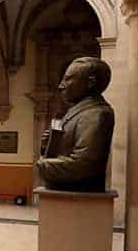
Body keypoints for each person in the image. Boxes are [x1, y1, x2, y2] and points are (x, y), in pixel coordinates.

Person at [36, 57, 114, 192]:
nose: (61, 86)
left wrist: (43, 164)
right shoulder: (79, 111)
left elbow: (84, 164)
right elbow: (66, 151)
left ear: (90, 82)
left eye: (68, 79)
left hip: (81, 189)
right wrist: (47, 146)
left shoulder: (96, 114)